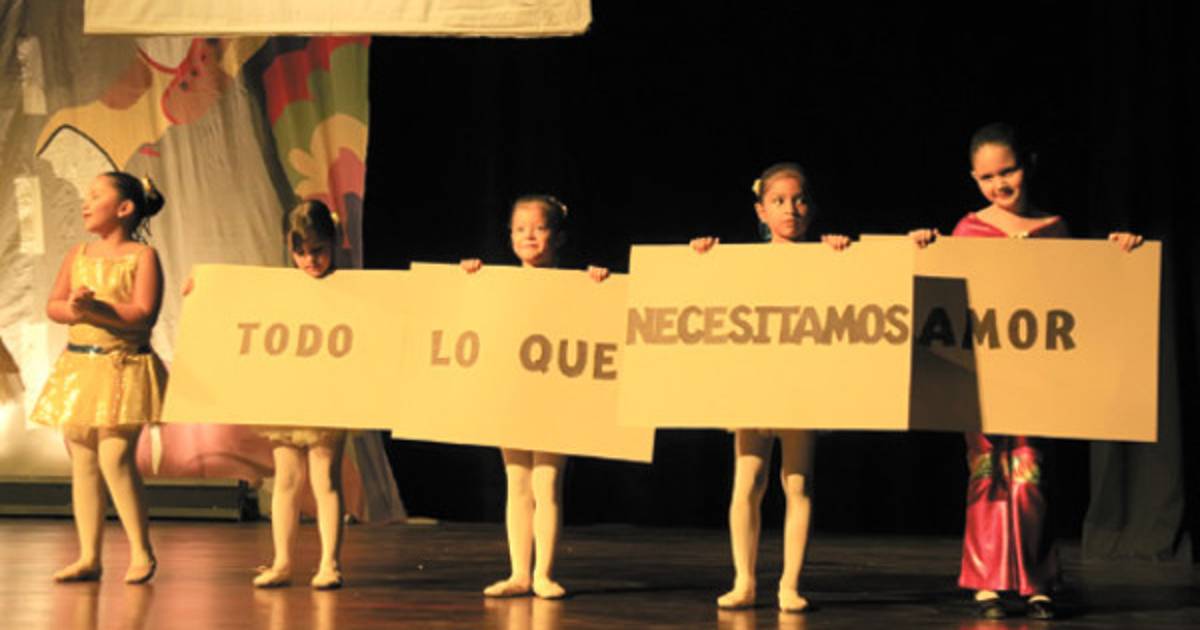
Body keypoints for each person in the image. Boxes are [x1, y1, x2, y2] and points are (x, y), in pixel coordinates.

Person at [910, 122, 1143, 620]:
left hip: (1036, 372)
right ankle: (987, 581)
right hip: (981, 371)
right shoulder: (968, 229)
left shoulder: (1053, 227)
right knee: (987, 470)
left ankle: (1038, 580)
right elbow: (944, 294)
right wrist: (926, 245)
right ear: (974, 179)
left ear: (1028, 165)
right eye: (987, 177)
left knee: (1031, 471)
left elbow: (1079, 292)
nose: (1000, 184)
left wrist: (1120, 254)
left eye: (1008, 171)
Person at [691, 162, 850, 613]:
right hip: (754, 380)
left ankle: (789, 584)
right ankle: (744, 579)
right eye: (778, 201)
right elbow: (709, 298)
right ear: (761, 211)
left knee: (798, 482)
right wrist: (702, 257)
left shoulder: (824, 258)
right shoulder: (744, 262)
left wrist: (843, 256)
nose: (790, 209)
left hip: (801, 383)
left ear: (811, 208)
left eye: (799, 200)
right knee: (749, 480)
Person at [461, 194, 608, 599]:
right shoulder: (500, 284)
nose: (529, 236)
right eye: (520, 229)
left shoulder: (574, 284)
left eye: (539, 228)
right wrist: (470, 278)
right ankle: (518, 573)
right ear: (509, 236)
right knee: (517, 481)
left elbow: (596, 320)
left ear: (558, 237)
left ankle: (543, 573)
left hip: (554, 395)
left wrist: (597, 285)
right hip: (514, 393)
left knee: (547, 481)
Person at [31, 171, 167, 584]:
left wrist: (97, 310)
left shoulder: (143, 256)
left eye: (95, 195)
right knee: (83, 459)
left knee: (115, 456)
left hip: (122, 367)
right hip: (80, 369)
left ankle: (141, 550)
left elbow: (143, 314)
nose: (85, 202)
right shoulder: (78, 253)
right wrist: (74, 309)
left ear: (124, 208)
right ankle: (89, 555)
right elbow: (54, 305)